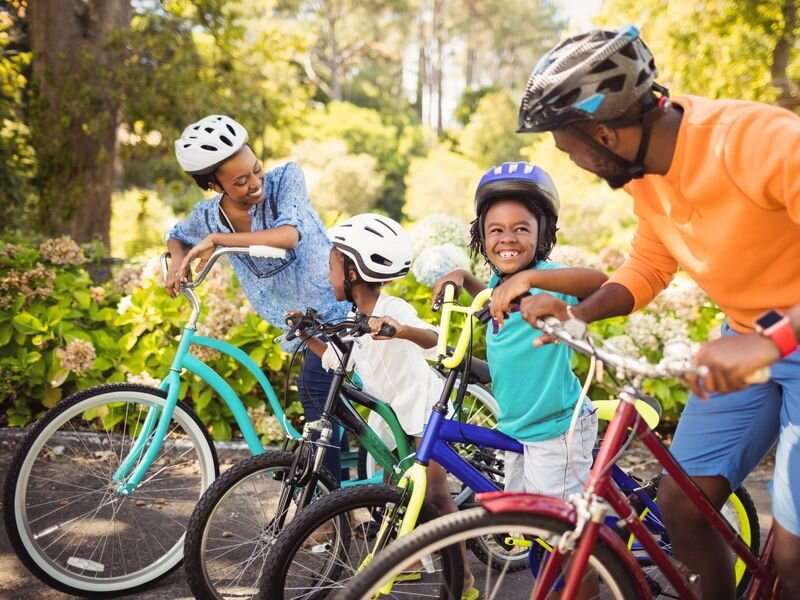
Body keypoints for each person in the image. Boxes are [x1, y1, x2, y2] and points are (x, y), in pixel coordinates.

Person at [510, 25, 800, 599]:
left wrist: (770, 339)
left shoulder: (758, 140)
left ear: (605, 133)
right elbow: (647, 265)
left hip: (773, 342)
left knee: (794, 554)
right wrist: (581, 315)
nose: (576, 164)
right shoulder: (646, 175)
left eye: (572, 150)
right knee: (681, 504)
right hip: (745, 344)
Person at [297, 213, 478, 600]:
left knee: (435, 493)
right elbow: (336, 360)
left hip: (422, 411)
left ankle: (462, 580)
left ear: (354, 271)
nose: (328, 276)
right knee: (394, 489)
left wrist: (397, 329)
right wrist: (307, 335)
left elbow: (430, 339)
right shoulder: (353, 318)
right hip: (390, 415)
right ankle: (409, 563)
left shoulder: (392, 306)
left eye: (332, 266)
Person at [165, 114, 351, 481]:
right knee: (323, 407)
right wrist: (176, 263)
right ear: (213, 185)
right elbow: (178, 234)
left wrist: (218, 241)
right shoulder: (208, 216)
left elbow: (288, 235)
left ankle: (330, 507)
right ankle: (335, 493)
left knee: (316, 394)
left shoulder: (285, 180)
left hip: (340, 309)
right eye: (240, 181)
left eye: (255, 170)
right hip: (303, 327)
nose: (255, 183)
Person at [432, 161, 607, 530]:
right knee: (527, 526)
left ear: (542, 234)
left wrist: (531, 277)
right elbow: (498, 304)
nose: (507, 238)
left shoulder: (549, 279)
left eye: (521, 229)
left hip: (556, 430)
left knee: (564, 535)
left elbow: (600, 282)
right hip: (518, 428)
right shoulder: (500, 283)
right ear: (481, 236)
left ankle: (585, 582)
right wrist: (464, 277)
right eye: (496, 229)